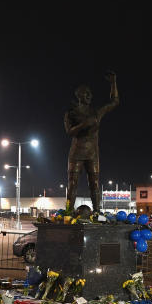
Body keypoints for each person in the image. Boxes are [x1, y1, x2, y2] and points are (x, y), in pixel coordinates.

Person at [64, 72, 119, 213]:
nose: (89, 96)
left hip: (93, 154)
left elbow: (114, 102)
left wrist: (113, 83)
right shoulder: (71, 113)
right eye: (86, 93)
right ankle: (68, 211)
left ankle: (97, 211)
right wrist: (83, 124)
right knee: (72, 184)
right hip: (76, 152)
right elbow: (69, 132)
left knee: (94, 184)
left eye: (90, 93)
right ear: (79, 96)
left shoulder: (96, 112)